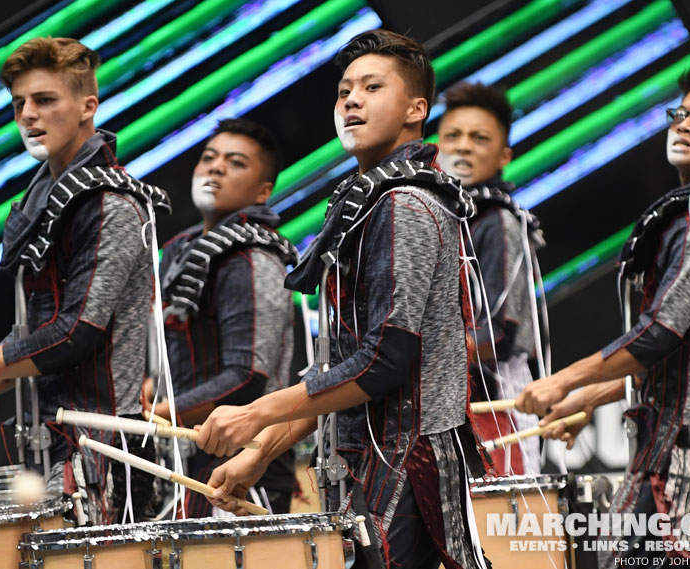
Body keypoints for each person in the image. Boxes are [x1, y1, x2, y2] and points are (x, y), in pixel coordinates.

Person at [192, 30, 489, 569]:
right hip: (367, 465)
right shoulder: (372, 201)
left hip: (406, 469)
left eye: (372, 87)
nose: (351, 99)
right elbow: (340, 368)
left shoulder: (406, 204)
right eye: (344, 90)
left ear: (416, 109)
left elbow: (383, 363)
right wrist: (261, 452)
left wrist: (257, 415)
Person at [515, 62, 690, 565]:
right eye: (679, 113)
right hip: (678, 443)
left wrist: (564, 381)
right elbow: (681, 353)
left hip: (689, 453)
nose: (682, 124)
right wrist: (590, 396)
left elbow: (659, 335)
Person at [0, 37, 170, 524]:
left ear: (88, 107)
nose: (27, 115)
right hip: (50, 444)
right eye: (19, 103)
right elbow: (34, 341)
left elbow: (73, 336)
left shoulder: (112, 205)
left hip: (104, 452)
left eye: (44, 100)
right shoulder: (48, 201)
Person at [144, 118, 298, 517]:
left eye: (235, 162)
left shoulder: (253, 257)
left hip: (245, 463)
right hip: (189, 455)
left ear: (264, 190)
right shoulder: (182, 251)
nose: (215, 167)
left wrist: (160, 413)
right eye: (208, 158)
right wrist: (154, 389)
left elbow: (249, 376)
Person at [437, 81, 546, 475]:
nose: (463, 146)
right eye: (452, 135)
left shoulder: (498, 220)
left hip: (492, 399)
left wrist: (416, 356)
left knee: (497, 524)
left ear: (503, 156)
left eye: (479, 138)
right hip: (443, 396)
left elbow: (500, 332)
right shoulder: (435, 215)